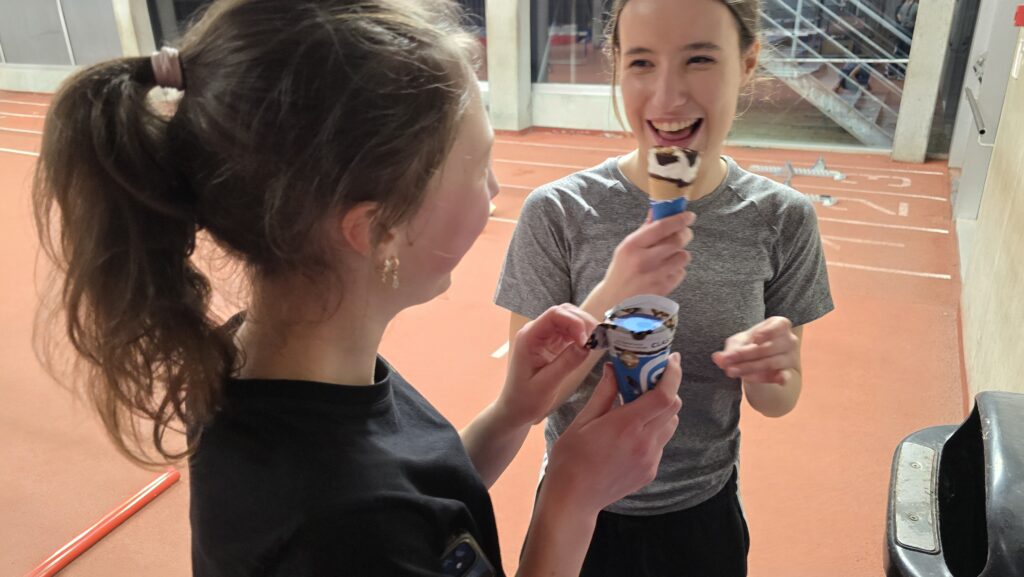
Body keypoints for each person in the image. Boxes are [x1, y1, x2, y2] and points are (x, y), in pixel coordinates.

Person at [32, 1, 685, 575]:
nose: (494, 189)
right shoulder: (337, 524)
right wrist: (571, 499)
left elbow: (418, 516)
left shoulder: (275, 366)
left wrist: (511, 412)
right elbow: (375, 522)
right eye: (479, 165)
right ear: (377, 230)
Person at [495, 0, 834, 575]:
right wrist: (612, 292)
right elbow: (531, 403)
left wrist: (771, 369)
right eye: (642, 62)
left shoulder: (782, 218)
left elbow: (778, 401)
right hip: (578, 510)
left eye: (699, 59)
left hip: (703, 512)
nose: (667, 97)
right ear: (617, 66)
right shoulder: (559, 212)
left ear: (748, 62)